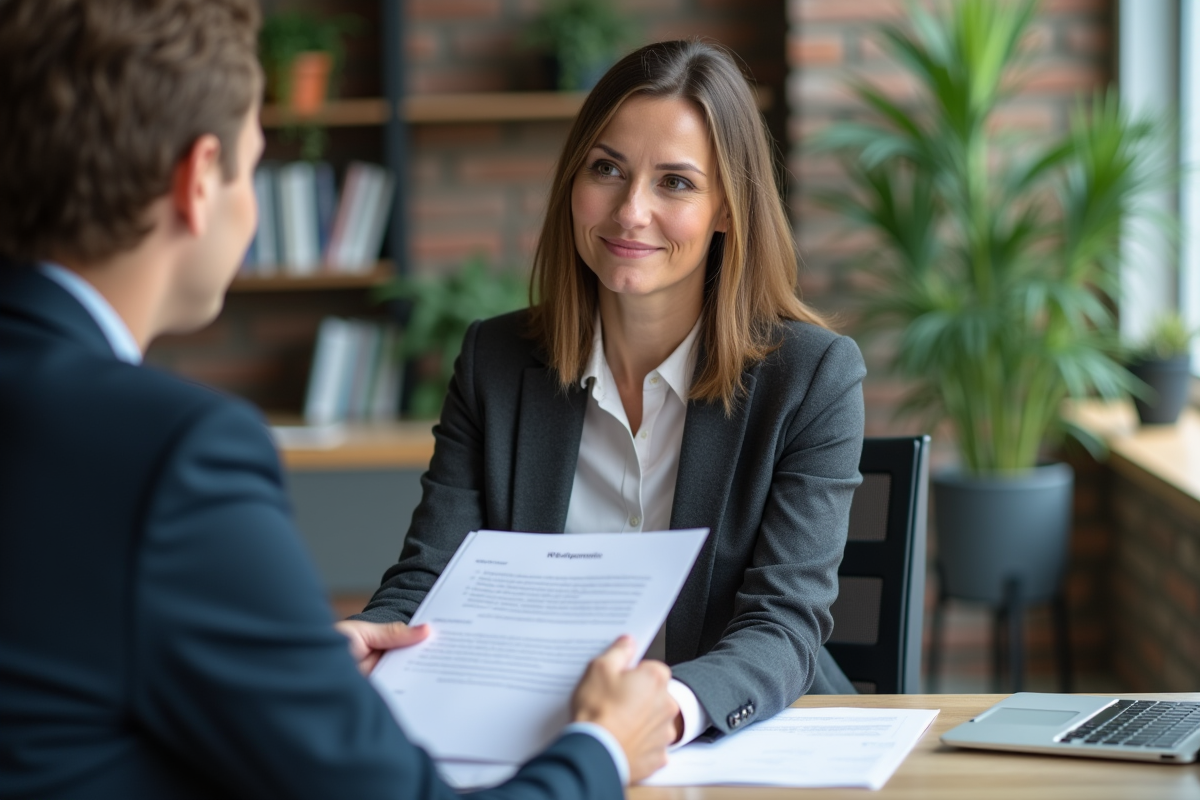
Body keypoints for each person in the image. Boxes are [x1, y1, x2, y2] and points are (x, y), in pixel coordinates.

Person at [0, 1, 678, 797]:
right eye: (254, 167)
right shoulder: (174, 455)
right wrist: (600, 747)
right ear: (196, 180)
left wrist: (281, 664)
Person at [340, 39, 866, 745]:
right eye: (607, 169)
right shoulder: (494, 362)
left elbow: (784, 624)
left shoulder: (812, 377)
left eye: (675, 182)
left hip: (730, 743)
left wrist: (665, 713)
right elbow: (432, 575)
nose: (629, 212)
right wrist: (374, 638)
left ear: (727, 210)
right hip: (532, 738)